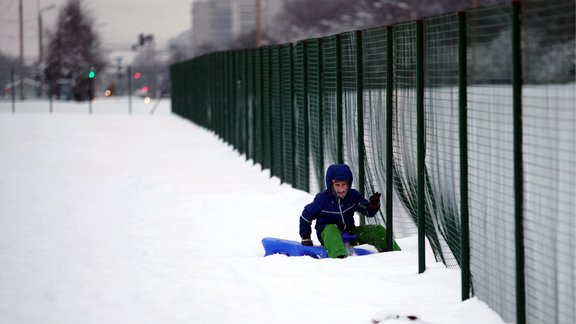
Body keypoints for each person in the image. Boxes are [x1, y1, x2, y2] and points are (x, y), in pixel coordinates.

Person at [299, 164, 400, 258]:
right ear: (330, 185)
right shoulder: (322, 200)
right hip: (328, 235)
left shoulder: (353, 196)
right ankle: (339, 257)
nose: (341, 189)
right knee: (331, 229)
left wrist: (373, 206)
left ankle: (396, 255)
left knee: (377, 230)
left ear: (349, 184)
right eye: (337, 185)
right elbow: (305, 216)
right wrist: (306, 237)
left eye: (344, 184)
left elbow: (368, 212)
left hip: (349, 234)